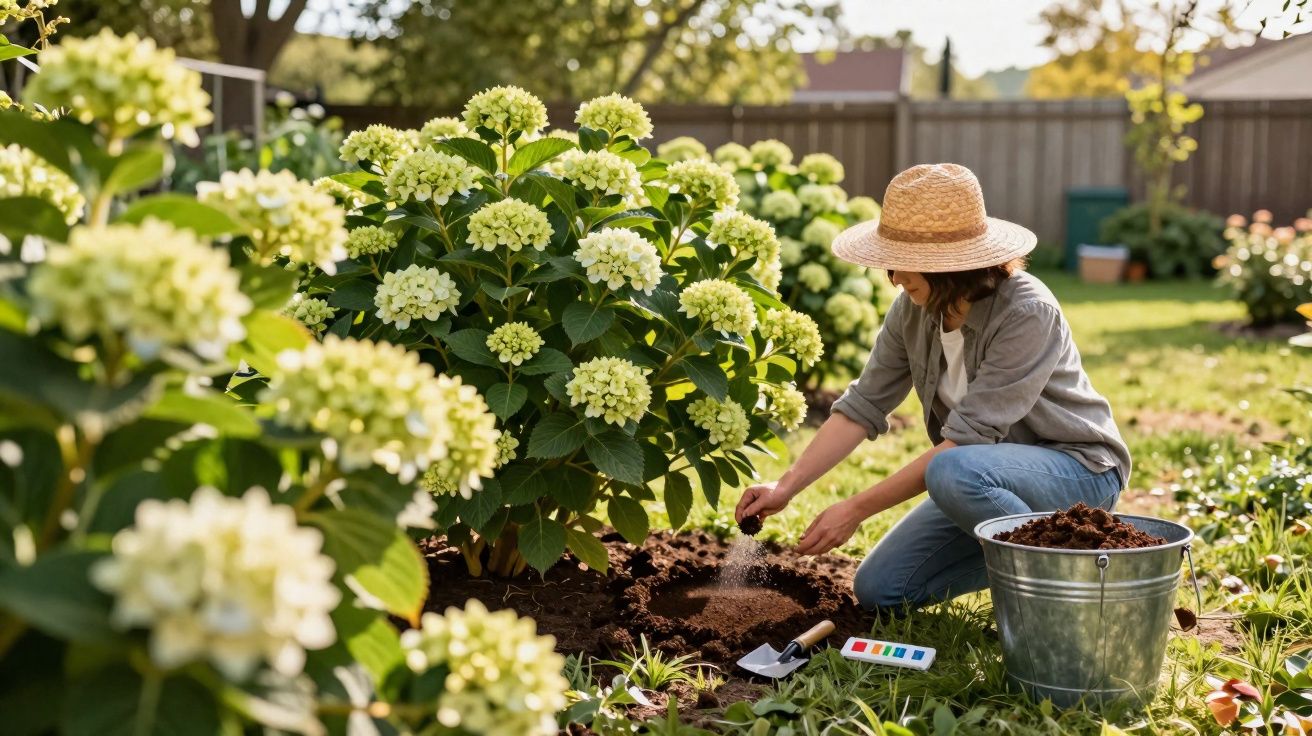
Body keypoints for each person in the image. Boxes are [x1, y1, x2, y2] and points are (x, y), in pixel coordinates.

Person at [734, 163, 1131, 612]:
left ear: (947, 265)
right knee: (882, 588)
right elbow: (862, 405)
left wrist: (856, 508)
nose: (893, 275)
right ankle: (1053, 562)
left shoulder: (1027, 312)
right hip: (982, 481)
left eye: (902, 261)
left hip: (1077, 473)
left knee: (952, 470)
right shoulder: (912, 311)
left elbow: (964, 443)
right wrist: (784, 488)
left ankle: (1055, 589)